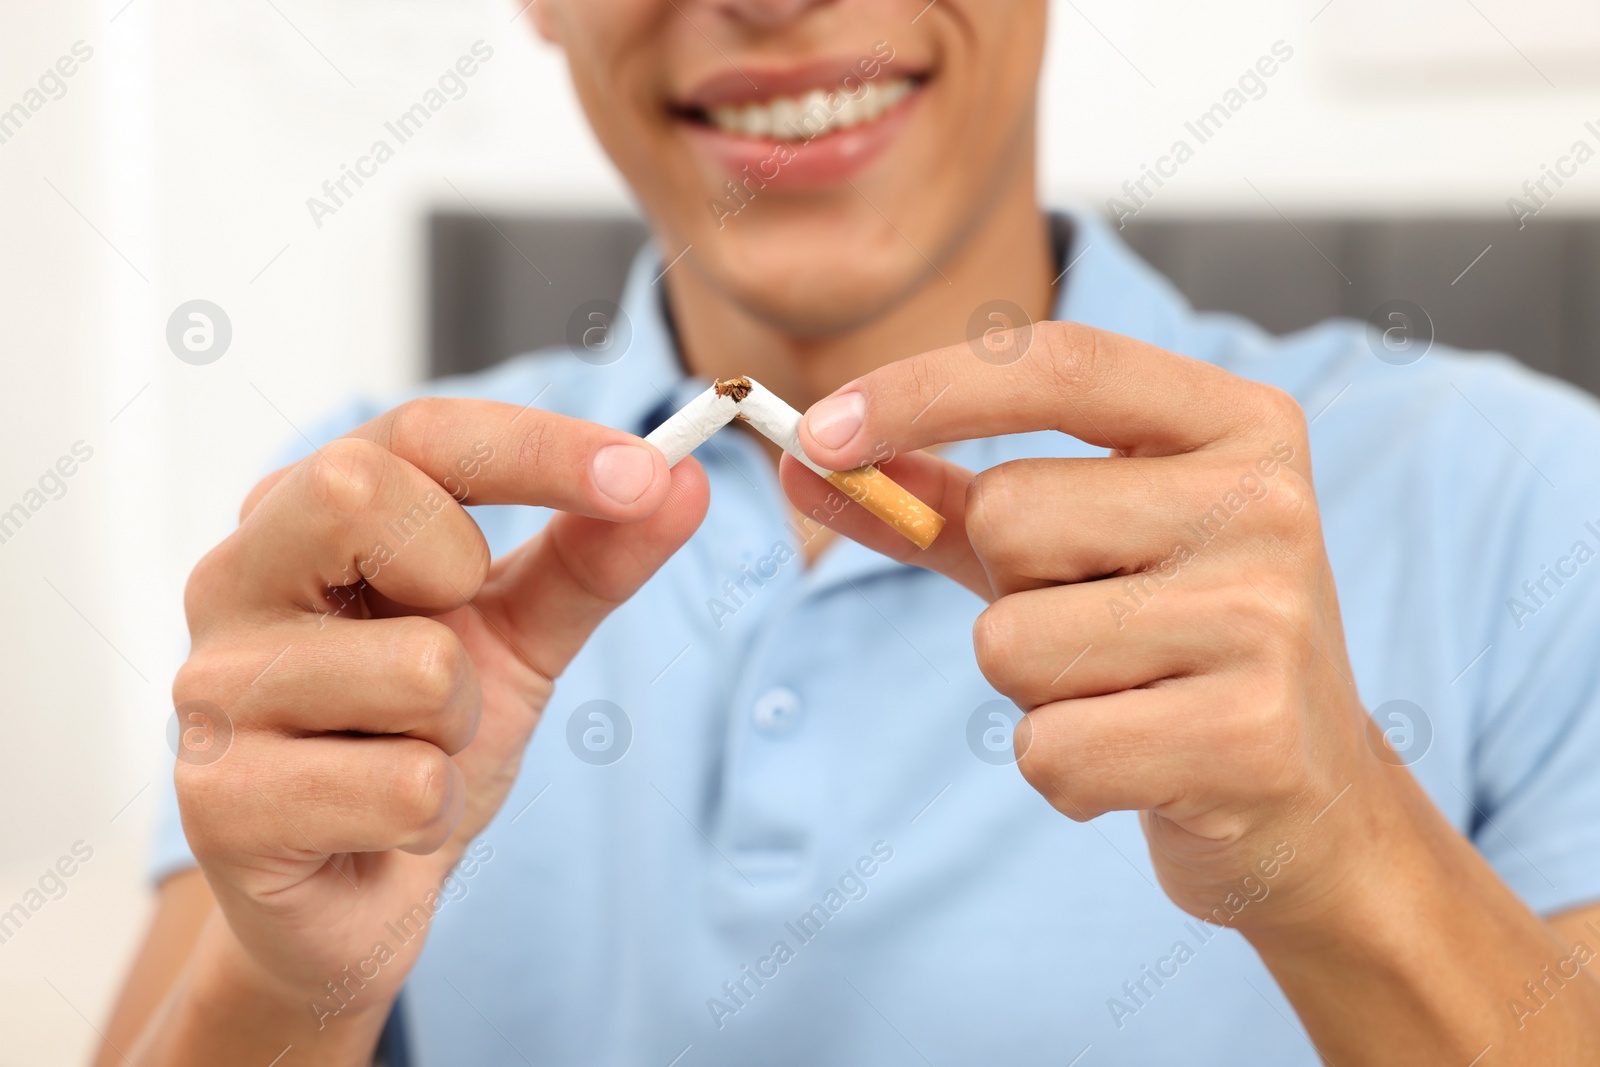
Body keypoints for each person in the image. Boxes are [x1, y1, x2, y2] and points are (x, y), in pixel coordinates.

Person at [102, 2, 1600, 1064]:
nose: (771, 0)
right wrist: (290, 977)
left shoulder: (1525, 492)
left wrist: (1344, 852)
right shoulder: (375, 526)